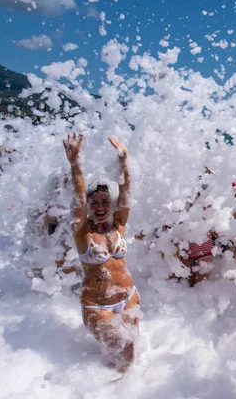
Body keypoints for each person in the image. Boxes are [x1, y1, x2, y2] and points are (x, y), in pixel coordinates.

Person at [63, 133, 140, 372]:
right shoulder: (82, 231)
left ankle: (126, 387)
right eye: (94, 203)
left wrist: (125, 162)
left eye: (104, 201)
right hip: (98, 306)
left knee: (133, 349)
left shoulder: (118, 224)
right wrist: (76, 166)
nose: (99, 207)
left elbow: (126, 191)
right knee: (125, 348)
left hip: (129, 298)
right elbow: (78, 201)